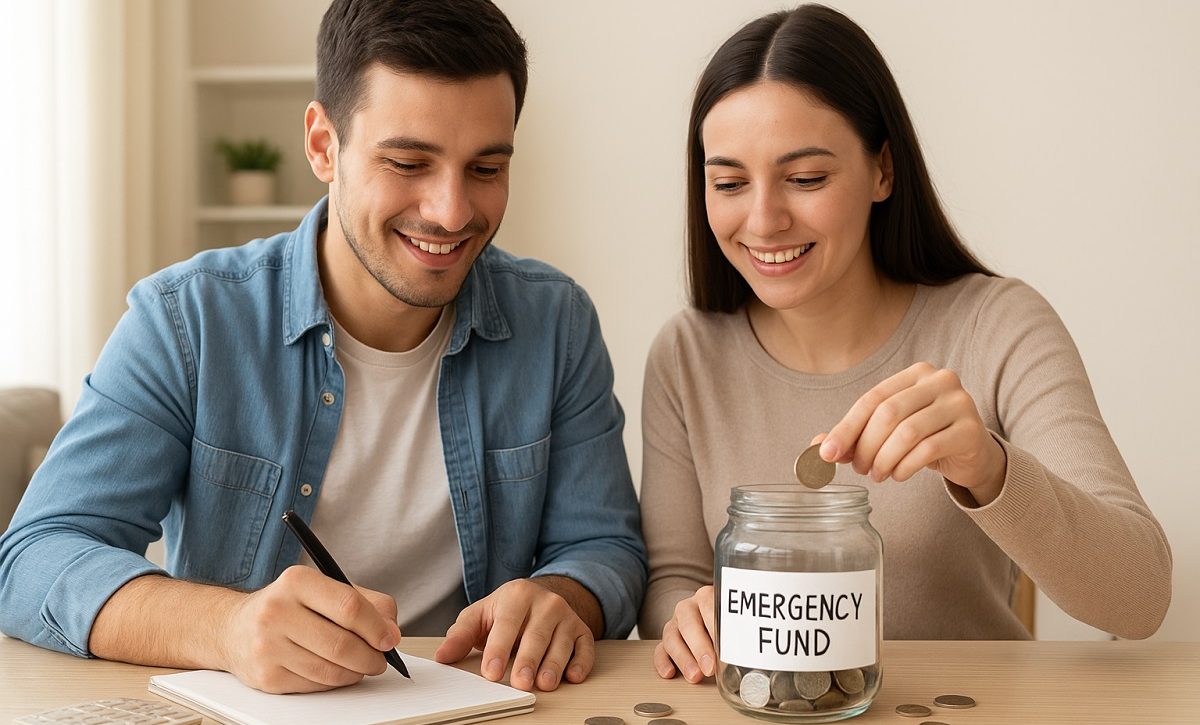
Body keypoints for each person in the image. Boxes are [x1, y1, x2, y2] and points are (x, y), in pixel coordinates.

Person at [0, 0, 646, 695]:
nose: (452, 211)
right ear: (322, 145)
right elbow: (35, 555)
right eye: (408, 162)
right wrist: (227, 628)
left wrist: (561, 596)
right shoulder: (187, 321)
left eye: (486, 168)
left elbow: (604, 547)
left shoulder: (556, 322)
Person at [638, 4, 1171, 683]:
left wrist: (990, 469)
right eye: (730, 183)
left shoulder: (998, 325)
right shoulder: (686, 354)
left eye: (806, 178)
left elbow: (1141, 599)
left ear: (883, 170)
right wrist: (689, 617)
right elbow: (673, 579)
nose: (764, 220)